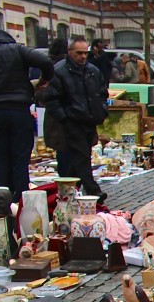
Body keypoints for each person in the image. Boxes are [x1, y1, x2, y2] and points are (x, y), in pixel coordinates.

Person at [0, 28, 54, 199]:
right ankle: (21, 199)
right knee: (20, 158)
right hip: (19, 110)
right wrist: (43, 80)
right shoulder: (18, 50)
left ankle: (2, 201)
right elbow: (45, 61)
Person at [44, 36, 108, 197]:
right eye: (79, 53)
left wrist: (101, 111)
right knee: (81, 156)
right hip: (70, 121)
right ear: (69, 52)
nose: (83, 56)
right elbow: (51, 99)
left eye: (85, 53)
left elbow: (102, 93)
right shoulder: (60, 72)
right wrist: (64, 117)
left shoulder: (93, 71)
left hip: (89, 119)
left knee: (81, 157)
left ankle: (70, 188)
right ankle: (93, 189)